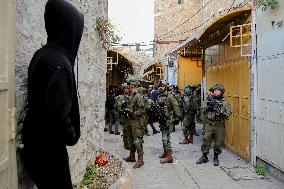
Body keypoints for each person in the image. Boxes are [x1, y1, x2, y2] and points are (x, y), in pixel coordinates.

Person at [22, 0, 84, 188]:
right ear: (69, 29)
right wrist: (71, 134)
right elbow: (57, 116)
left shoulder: (43, 54)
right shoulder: (60, 64)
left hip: (37, 145)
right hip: (48, 151)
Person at [196, 84, 231, 166]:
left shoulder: (224, 102)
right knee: (206, 140)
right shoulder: (209, 99)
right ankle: (204, 156)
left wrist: (222, 114)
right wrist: (208, 108)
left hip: (219, 124)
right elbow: (202, 108)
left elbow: (229, 113)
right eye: (214, 90)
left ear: (221, 92)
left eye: (217, 90)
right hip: (209, 123)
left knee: (218, 142)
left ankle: (216, 157)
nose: (215, 92)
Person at [123, 80, 147, 168]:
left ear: (135, 86)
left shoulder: (138, 96)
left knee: (137, 141)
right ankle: (132, 156)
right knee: (130, 140)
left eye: (131, 86)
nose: (129, 88)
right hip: (130, 121)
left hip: (137, 122)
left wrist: (133, 113)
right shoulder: (132, 95)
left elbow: (143, 110)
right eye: (129, 86)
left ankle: (141, 160)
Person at [157, 83, 181, 164]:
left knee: (165, 138)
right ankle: (166, 152)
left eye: (162, 86)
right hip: (162, 120)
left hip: (168, 120)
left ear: (166, 88)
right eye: (159, 87)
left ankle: (169, 157)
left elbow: (176, 106)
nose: (160, 88)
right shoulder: (159, 96)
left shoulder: (170, 96)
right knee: (164, 137)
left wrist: (177, 118)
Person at [115, 83, 130, 149]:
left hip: (131, 116)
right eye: (125, 88)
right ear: (123, 89)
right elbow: (118, 107)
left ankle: (130, 142)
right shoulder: (120, 97)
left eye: (128, 88)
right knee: (125, 130)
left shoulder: (131, 96)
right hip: (124, 116)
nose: (127, 89)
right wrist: (123, 110)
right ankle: (126, 143)